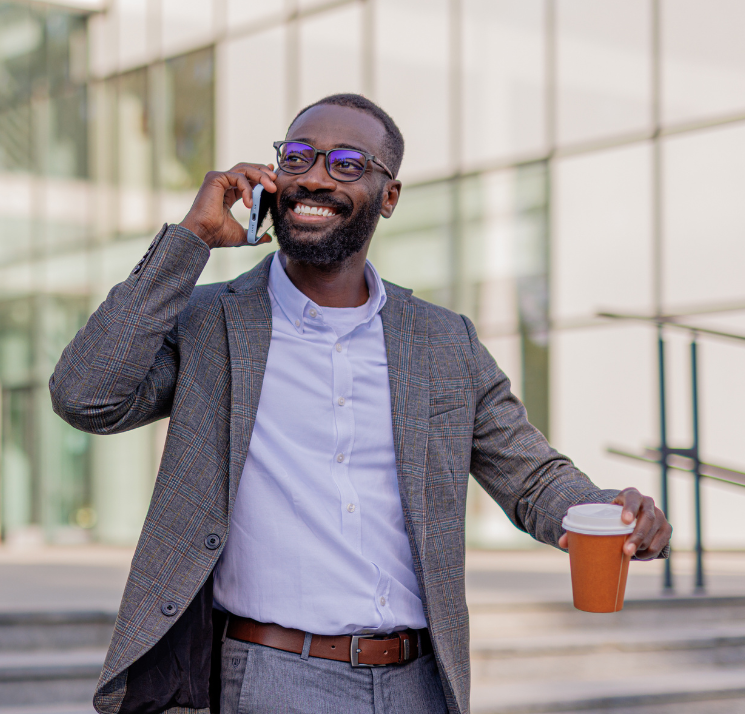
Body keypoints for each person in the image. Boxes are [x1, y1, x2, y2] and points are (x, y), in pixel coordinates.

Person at [49, 94, 672, 714]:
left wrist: (609, 512)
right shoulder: (211, 324)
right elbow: (86, 395)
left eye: (347, 163)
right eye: (297, 157)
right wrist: (190, 241)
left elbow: (533, 479)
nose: (315, 176)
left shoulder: (442, 341)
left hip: (421, 683)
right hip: (272, 679)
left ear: (389, 196)